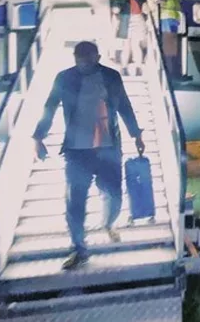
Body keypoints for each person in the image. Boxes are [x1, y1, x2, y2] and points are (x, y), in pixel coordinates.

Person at [33, 41, 146, 271]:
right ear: (74, 58)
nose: (84, 63)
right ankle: (79, 249)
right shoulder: (64, 78)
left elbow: (124, 105)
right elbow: (50, 106)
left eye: (88, 59)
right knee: (75, 202)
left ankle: (108, 223)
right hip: (77, 152)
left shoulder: (111, 77)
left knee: (114, 195)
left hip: (108, 148)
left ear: (98, 58)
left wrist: (136, 134)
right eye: (80, 59)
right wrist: (38, 136)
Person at [112, 0, 148, 75]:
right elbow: (115, 7)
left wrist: (146, 8)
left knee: (136, 45)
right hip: (124, 20)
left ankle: (138, 67)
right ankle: (124, 68)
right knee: (126, 45)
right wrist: (116, 9)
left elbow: (144, 5)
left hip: (137, 19)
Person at [155, 0, 182, 76]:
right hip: (173, 18)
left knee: (167, 47)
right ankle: (172, 71)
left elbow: (161, 2)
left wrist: (152, 4)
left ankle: (168, 73)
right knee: (170, 47)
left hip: (165, 17)